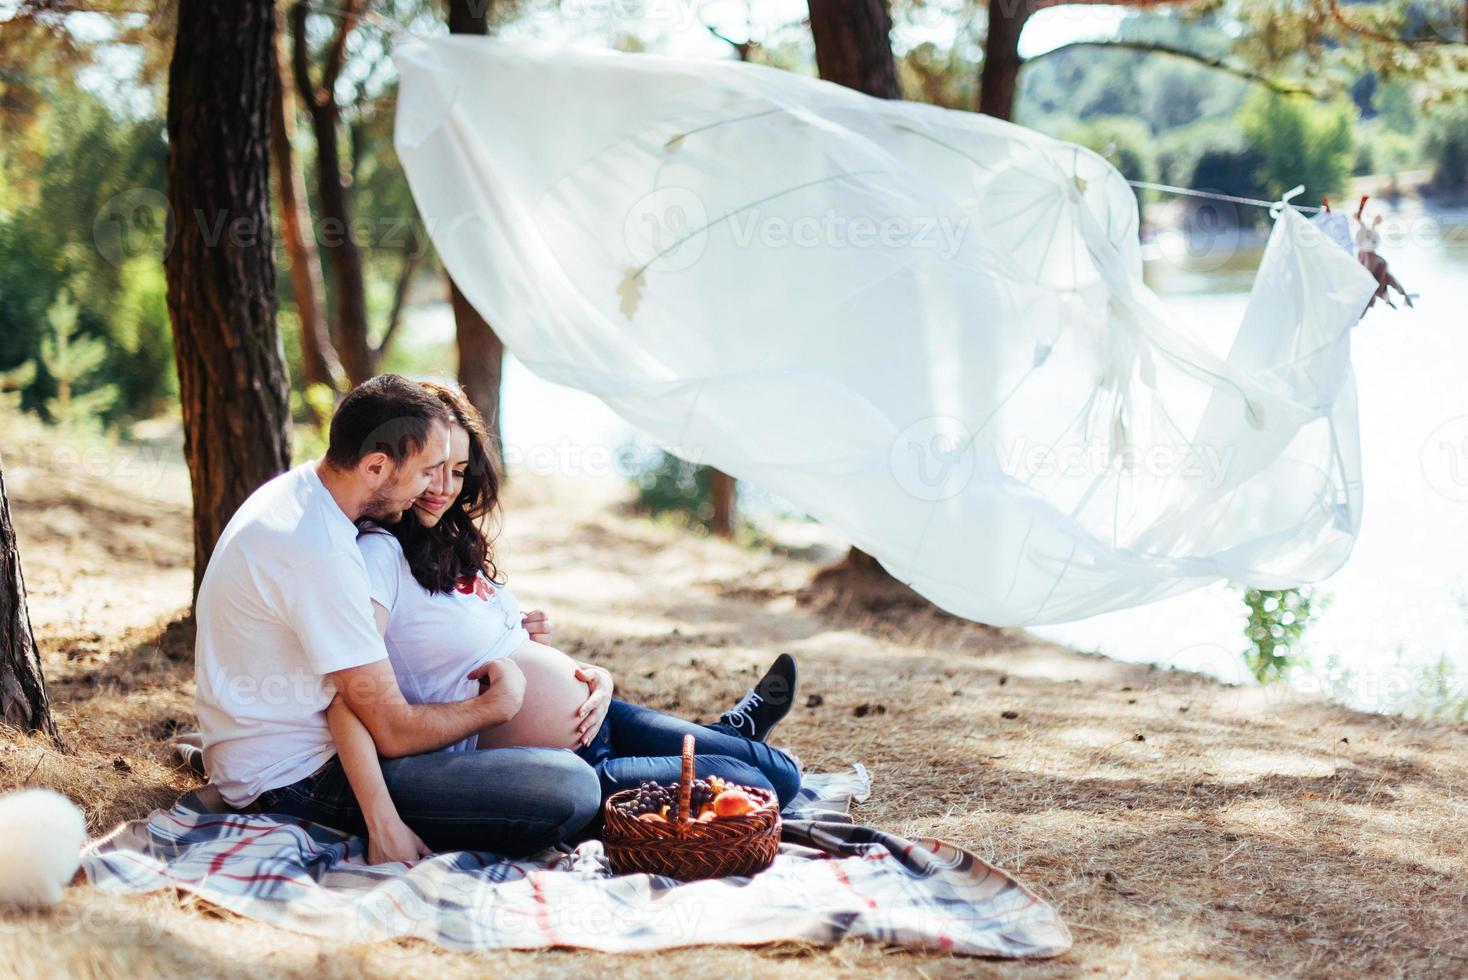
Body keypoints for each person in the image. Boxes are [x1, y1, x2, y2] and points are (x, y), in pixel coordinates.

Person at [329, 381, 803, 864]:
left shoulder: (446, 544)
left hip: (600, 711)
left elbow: (500, 645)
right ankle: (729, 737)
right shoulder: (377, 556)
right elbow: (351, 691)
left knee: (785, 776)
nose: (445, 487)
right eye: (431, 470)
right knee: (756, 786)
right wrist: (379, 818)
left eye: (457, 470)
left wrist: (586, 672)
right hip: (568, 761)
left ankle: (730, 732)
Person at [193, 374, 602, 856]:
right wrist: (494, 707)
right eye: (427, 470)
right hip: (291, 781)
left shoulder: (303, 496)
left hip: (294, 756)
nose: (436, 486)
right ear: (375, 466)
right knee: (567, 788)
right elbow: (389, 728)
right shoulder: (320, 552)